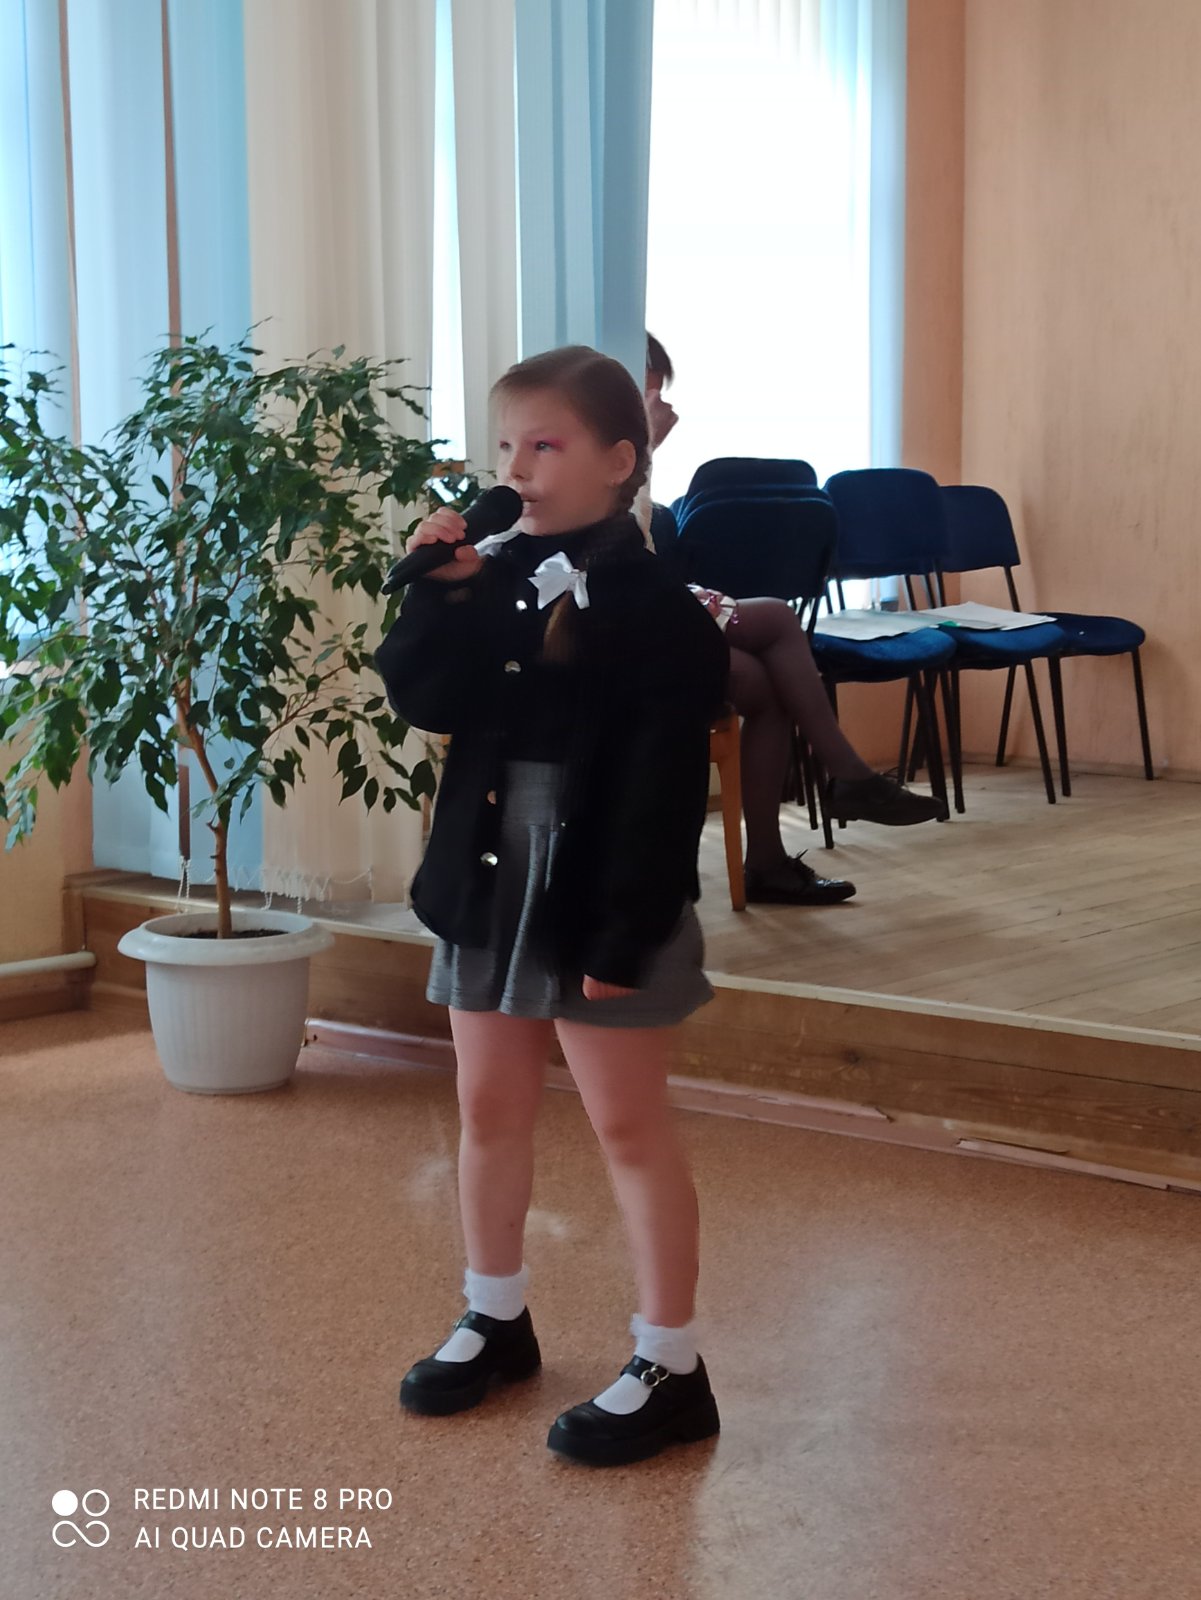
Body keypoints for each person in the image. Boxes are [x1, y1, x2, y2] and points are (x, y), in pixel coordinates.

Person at [375, 345, 728, 1468]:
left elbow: (662, 792)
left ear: (620, 460)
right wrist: (440, 590)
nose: (516, 468)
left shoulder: (657, 606)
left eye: (545, 444)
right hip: (490, 868)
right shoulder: (489, 572)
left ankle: (670, 1363)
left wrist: (623, 934)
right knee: (487, 1107)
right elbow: (425, 698)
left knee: (627, 1125)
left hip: (601, 880)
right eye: (505, 446)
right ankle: (495, 1314)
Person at [642, 333, 946, 906]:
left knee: (769, 684)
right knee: (779, 619)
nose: (658, 402)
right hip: (625, 639)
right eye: (647, 389)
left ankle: (772, 859)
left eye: (658, 389)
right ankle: (843, 782)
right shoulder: (591, 459)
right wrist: (644, 446)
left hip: (657, 621)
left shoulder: (623, 469)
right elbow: (613, 550)